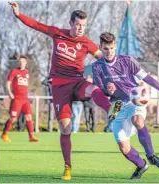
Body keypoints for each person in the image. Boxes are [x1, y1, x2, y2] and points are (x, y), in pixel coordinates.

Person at [9, 2, 122, 180]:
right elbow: (37, 25)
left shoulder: (87, 42)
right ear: (70, 23)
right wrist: (18, 14)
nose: (80, 29)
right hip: (59, 87)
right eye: (77, 25)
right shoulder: (58, 33)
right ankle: (68, 166)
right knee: (65, 128)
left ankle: (111, 110)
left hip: (77, 82)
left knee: (92, 88)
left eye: (83, 26)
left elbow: (103, 57)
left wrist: (113, 73)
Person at [92, 32, 159, 180]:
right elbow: (101, 91)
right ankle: (141, 165)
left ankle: (151, 155)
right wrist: (108, 90)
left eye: (112, 48)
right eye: (106, 49)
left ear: (115, 46)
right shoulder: (97, 67)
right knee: (124, 148)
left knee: (138, 121)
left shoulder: (127, 61)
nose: (109, 52)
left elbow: (147, 78)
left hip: (135, 100)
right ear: (100, 47)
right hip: (117, 106)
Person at [0, 55, 39, 142]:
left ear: (25, 63)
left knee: (29, 117)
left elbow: (25, 85)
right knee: (13, 118)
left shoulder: (27, 72)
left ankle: (31, 136)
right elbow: (8, 82)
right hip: (17, 99)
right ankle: (4, 134)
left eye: (23, 62)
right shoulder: (14, 71)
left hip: (25, 99)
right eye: (20, 62)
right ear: (18, 63)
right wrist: (10, 92)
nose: (21, 63)